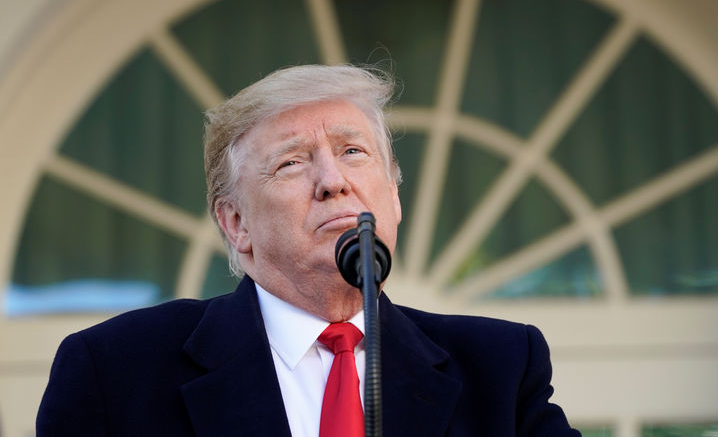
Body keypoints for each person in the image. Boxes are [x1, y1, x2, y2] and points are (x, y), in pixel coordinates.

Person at [37, 64, 581, 436]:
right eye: (292, 162)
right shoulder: (115, 371)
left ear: (392, 196)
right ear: (235, 223)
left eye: (352, 151)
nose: (333, 180)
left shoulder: (501, 368)